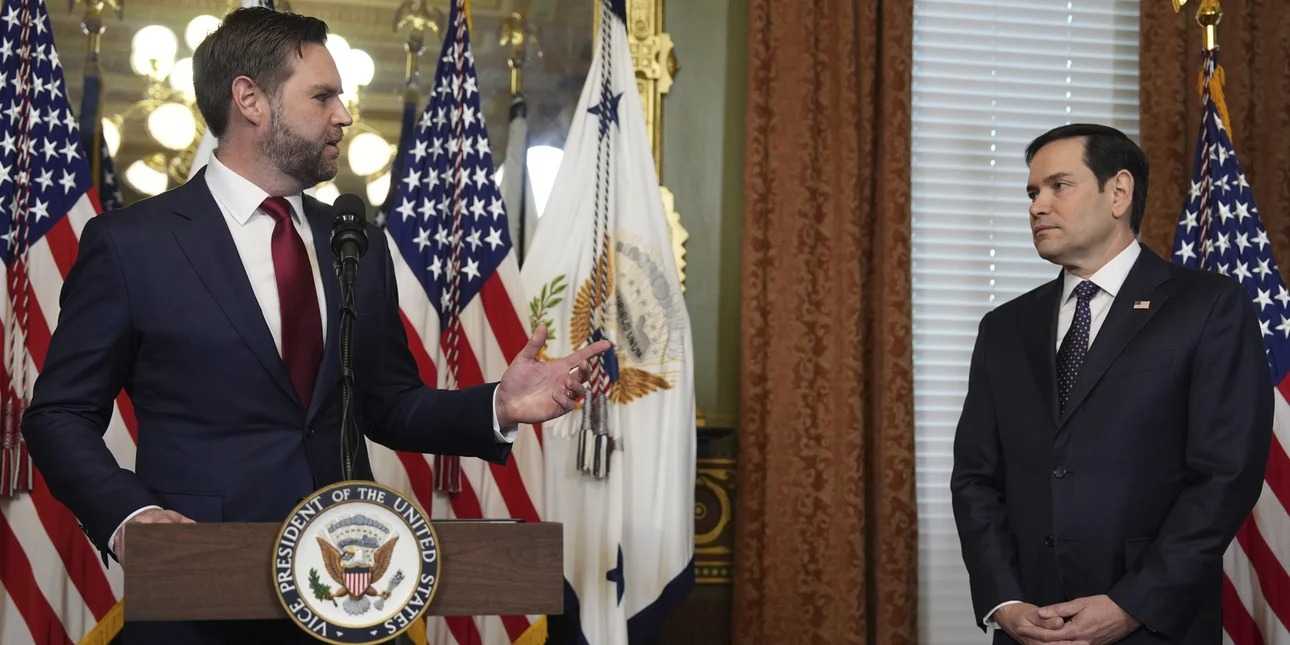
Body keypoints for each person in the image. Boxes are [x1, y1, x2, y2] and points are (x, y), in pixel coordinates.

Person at [20, 7, 608, 644]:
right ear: (250, 100)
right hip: (199, 589)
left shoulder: (354, 241)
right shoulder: (133, 244)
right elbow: (59, 415)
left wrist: (499, 405)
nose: (345, 115)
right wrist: (128, 516)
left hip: (349, 587)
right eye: (323, 96)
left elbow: (387, 404)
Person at [950, 123, 1273, 644]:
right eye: (1032, 193)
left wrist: (1133, 604)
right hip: (1028, 625)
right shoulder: (1004, 328)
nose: (1037, 206)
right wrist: (1003, 600)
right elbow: (975, 479)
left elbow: (1225, 475)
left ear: (1119, 192)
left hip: (1154, 624)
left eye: (1059, 186)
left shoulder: (1208, 305)